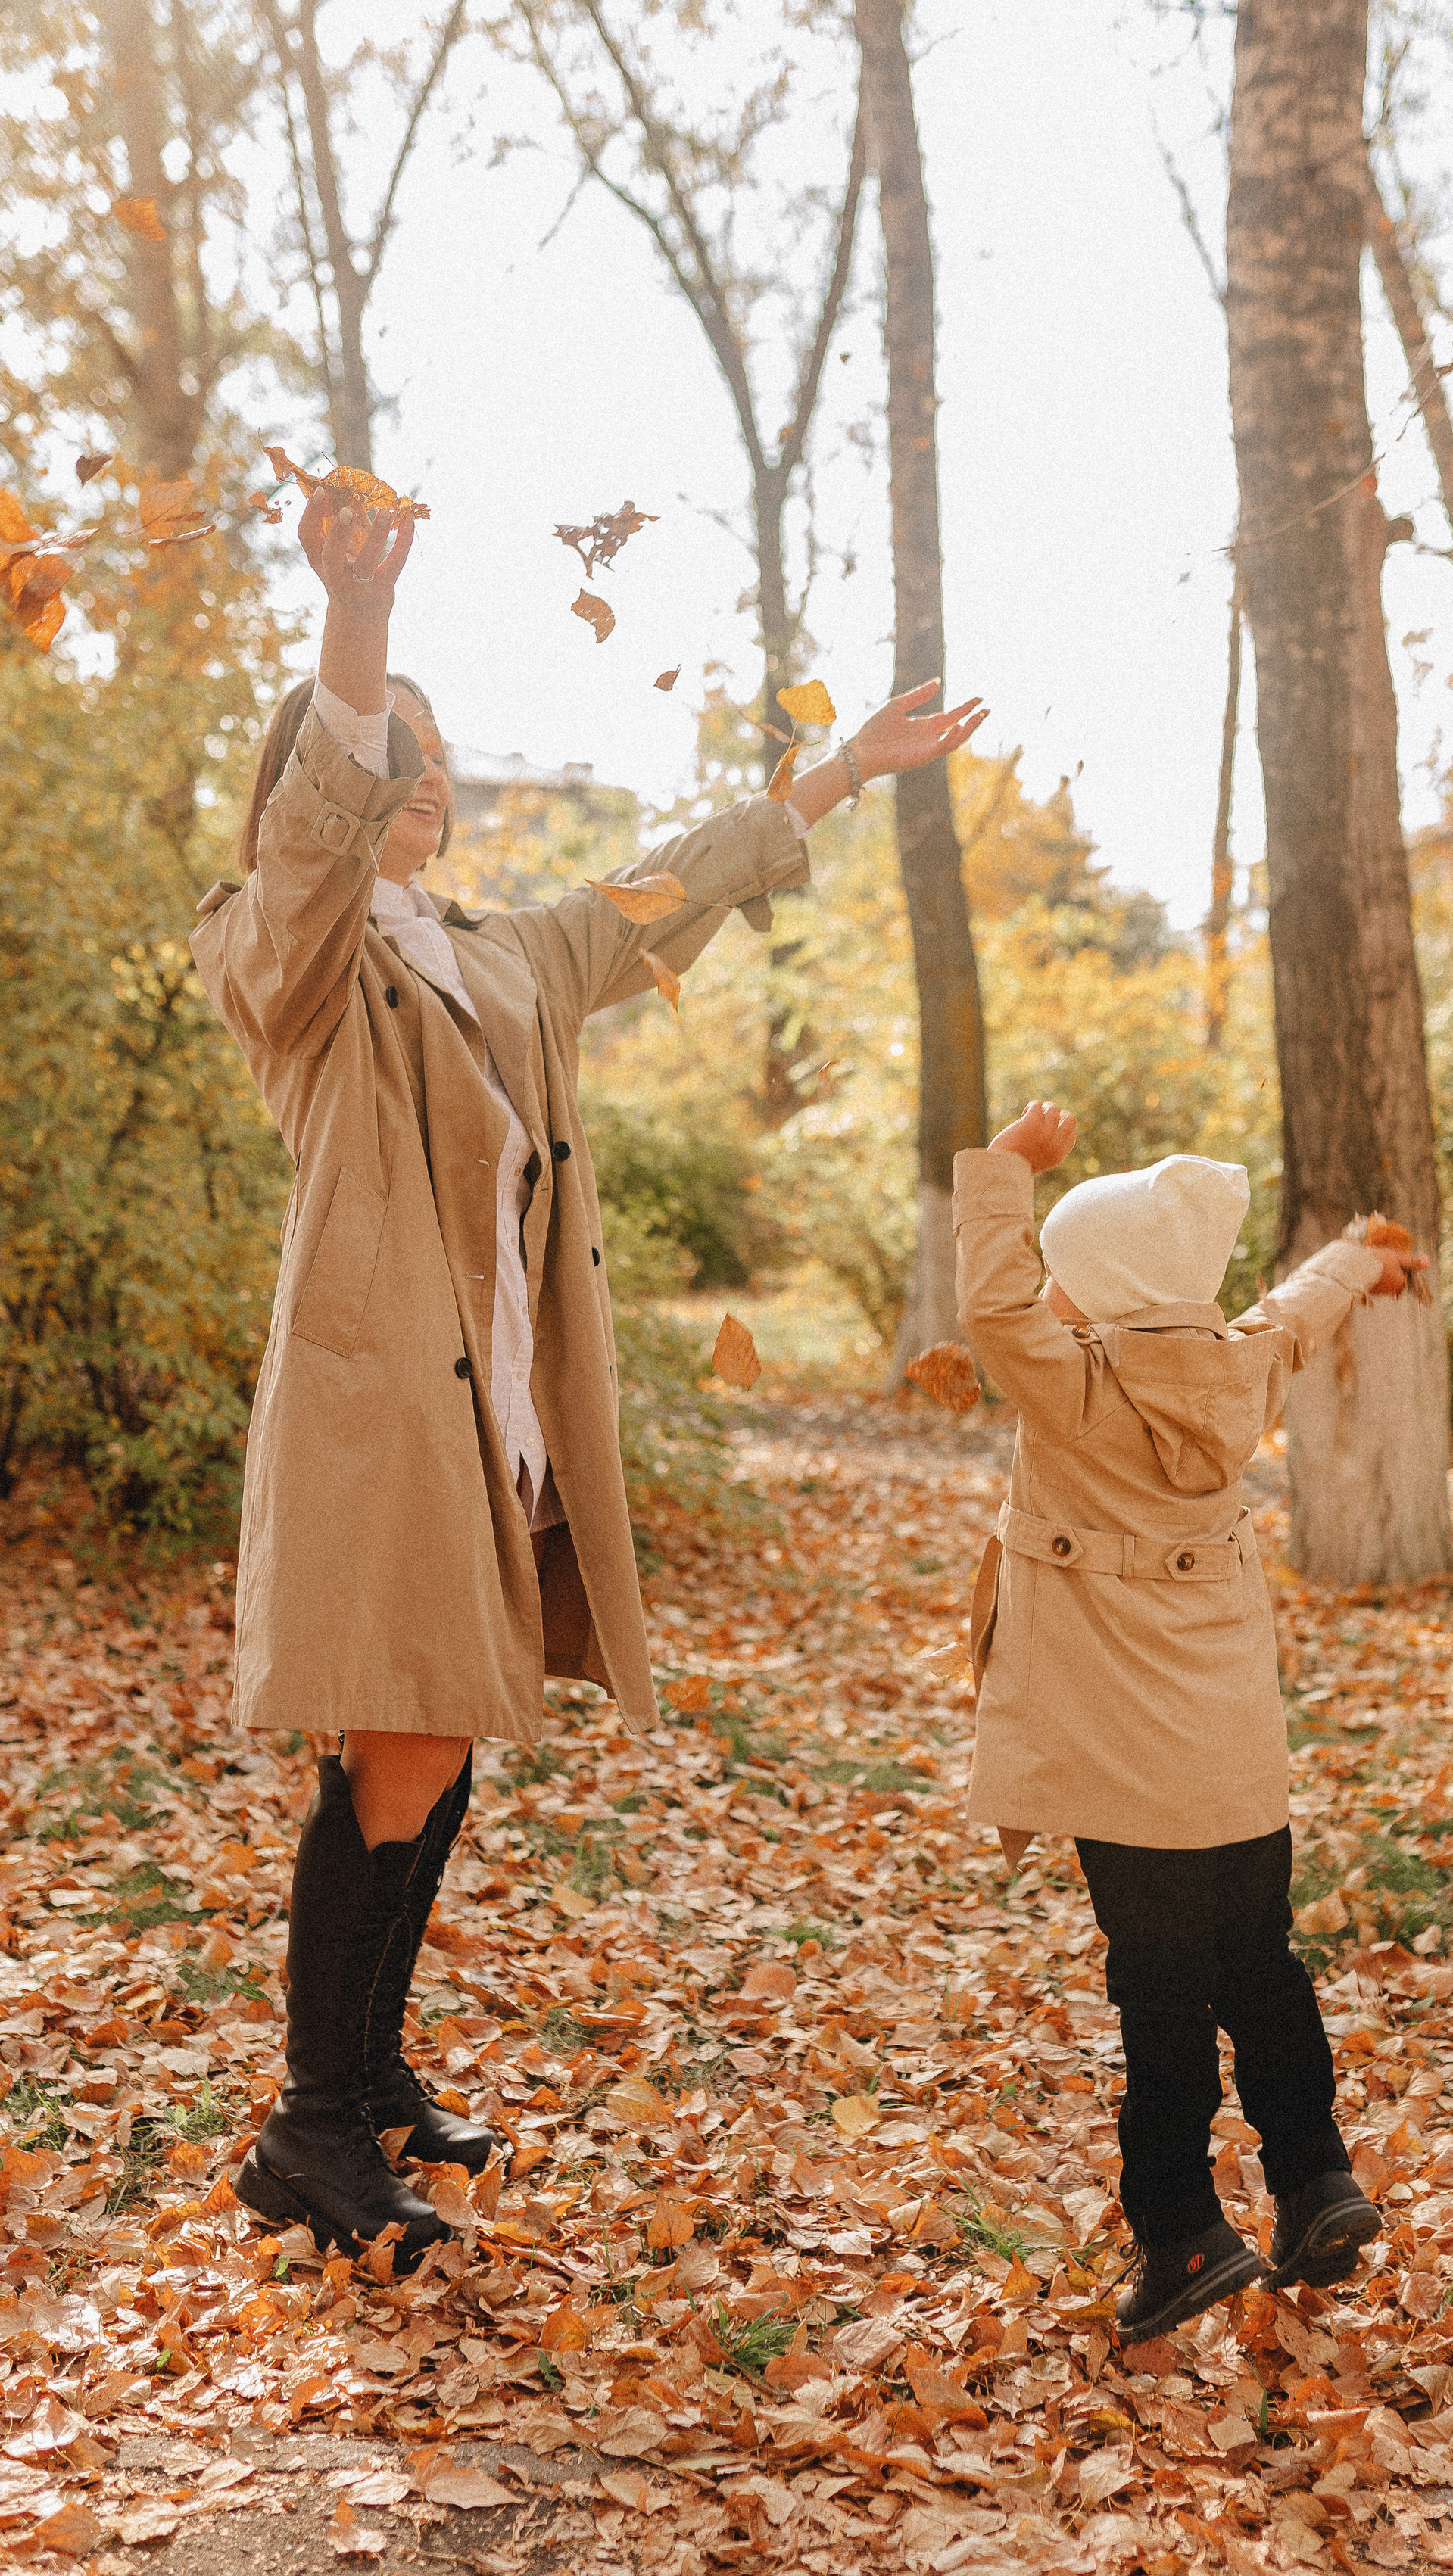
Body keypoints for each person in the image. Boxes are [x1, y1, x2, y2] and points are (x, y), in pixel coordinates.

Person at [193, 483, 984, 2267]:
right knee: (394, 1737)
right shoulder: (280, 947)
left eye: (437, 754)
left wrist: (841, 772)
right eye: (393, 755)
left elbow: (661, 892)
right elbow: (315, 826)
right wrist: (357, 626)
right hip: (379, 1409)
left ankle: (370, 2078)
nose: (423, 775)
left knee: (442, 1741)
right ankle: (307, 2134)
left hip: (503, 1410)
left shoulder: (499, 953)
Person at [954, 1100, 1423, 2342]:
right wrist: (1365, 1257)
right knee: (1259, 1961)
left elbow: (997, 1305)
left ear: (1095, 1292)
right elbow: (1299, 1305)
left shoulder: (1071, 1384)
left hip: (1123, 1764)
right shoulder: (1241, 1363)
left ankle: (1181, 2229)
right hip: (1232, 1757)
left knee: (1158, 1991)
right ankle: (1315, 2175)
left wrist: (1004, 1170)